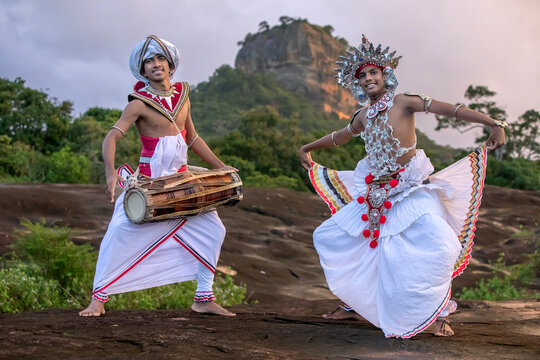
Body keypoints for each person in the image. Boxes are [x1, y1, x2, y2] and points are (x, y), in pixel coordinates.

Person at [299, 35, 506, 338]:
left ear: (385, 75)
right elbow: (339, 137)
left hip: (409, 189)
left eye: (373, 72)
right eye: (362, 75)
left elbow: (451, 110)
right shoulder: (362, 116)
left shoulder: (404, 102)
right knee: (332, 237)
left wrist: (494, 122)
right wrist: (307, 148)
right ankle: (354, 305)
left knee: (440, 245)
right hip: (376, 194)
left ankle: (439, 313)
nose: (369, 78)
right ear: (357, 84)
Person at [79, 35, 237, 317]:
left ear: (170, 64)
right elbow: (111, 138)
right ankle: (98, 299)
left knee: (214, 231)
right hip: (150, 184)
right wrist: (109, 173)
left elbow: (192, 137)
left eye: (160, 58)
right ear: (143, 71)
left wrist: (220, 166)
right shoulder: (138, 104)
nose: (155, 64)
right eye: (149, 61)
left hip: (181, 181)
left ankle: (203, 297)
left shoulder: (183, 95)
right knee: (118, 234)